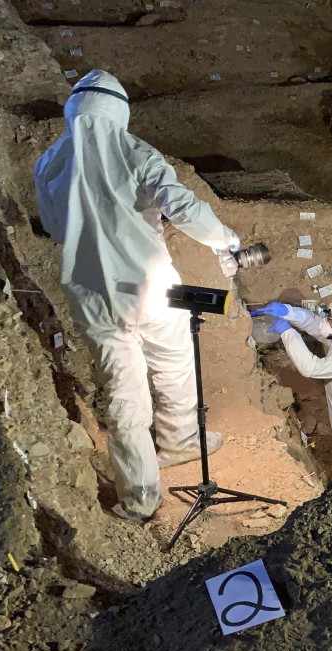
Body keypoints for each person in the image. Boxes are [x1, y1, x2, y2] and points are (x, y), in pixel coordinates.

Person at [33, 70, 242, 522]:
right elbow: (182, 207)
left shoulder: (50, 163)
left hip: (91, 294)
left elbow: (52, 227)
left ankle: (141, 494)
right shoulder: (135, 153)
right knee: (174, 360)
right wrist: (224, 238)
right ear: (118, 112)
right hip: (150, 288)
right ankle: (181, 440)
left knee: (122, 391)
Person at [251, 298, 332, 467]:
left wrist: (287, 332)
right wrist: (287, 311)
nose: (325, 321)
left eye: (330, 318)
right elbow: (313, 324)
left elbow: (311, 368)